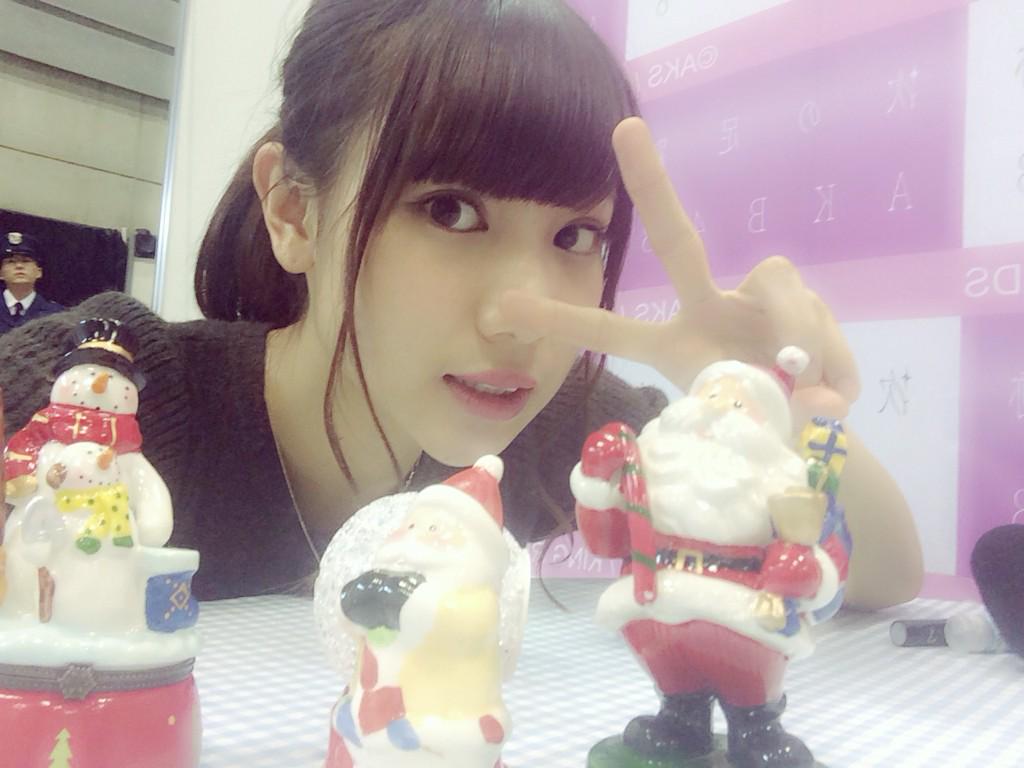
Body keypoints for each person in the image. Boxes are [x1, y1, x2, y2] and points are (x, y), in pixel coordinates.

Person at [0, 0, 922, 605]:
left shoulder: (551, 427)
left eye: (577, 236)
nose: (521, 315)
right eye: (450, 211)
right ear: (293, 212)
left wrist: (766, 401)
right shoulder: (98, 390)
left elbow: (881, 575)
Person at [0, 232, 63, 335]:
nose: (19, 266)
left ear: (39, 272)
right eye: (11, 261)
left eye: (26, 261)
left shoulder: (56, 314)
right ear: (1, 273)